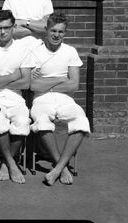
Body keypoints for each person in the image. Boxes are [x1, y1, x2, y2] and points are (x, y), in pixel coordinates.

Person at [29, 12, 90, 186]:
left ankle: (57, 168)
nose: (56, 35)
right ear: (46, 30)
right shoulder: (35, 52)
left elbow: (74, 85)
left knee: (81, 121)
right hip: (41, 99)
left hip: (66, 99)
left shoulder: (70, 51)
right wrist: (61, 79)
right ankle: (61, 168)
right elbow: (33, 86)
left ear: (65, 33)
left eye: (61, 32)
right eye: (53, 30)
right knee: (41, 121)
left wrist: (46, 81)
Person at [0, 10, 33, 184]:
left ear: (14, 27)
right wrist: (13, 76)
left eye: (6, 28)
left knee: (23, 121)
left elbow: (26, 83)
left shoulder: (23, 49)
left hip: (16, 97)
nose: (2, 32)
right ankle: (11, 162)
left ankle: (5, 162)